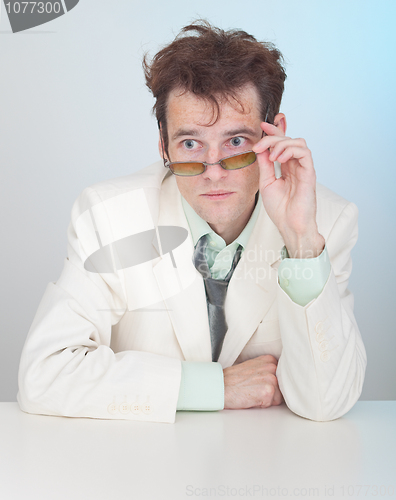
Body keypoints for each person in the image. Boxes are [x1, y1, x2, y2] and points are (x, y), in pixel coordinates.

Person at [17, 21, 366, 423]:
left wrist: (301, 242)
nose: (213, 172)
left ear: (275, 135)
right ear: (163, 144)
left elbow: (325, 401)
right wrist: (214, 386)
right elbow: (44, 373)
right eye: (190, 144)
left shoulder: (326, 224)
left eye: (236, 142)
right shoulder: (109, 217)